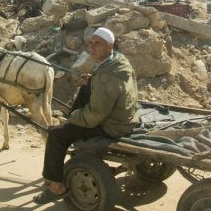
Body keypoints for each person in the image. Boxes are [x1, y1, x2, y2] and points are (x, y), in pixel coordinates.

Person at [33, 27, 139, 204]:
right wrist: (92, 81)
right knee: (86, 87)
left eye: (97, 44)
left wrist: (73, 117)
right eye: (90, 43)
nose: (92, 47)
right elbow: (105, 87)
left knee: (55, 134)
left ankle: (56, 187)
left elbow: (94, 116)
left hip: (111, 126)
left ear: (109, 46)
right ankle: (70, 124)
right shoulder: (118, 61)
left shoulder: (107, 76)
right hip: (121, 116)